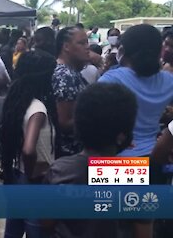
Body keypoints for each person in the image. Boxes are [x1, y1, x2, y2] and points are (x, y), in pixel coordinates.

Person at [43, 83, 151, 238]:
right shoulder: (134, 178)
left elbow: (46, 223)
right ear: (121, 135)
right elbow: (143, 233)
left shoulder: (59, 171)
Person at [99, 24, 173, 184]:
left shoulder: (111, 80)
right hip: (155, 156)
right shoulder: (168, 81)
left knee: (110, 205)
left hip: (117, 159)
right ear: (159, 51)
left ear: (123, 50)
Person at [0, 51, 57, 238]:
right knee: (36, 230)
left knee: (13, 230)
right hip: (33, 179)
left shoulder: (18, 102)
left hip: (16, 174)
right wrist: (33, 174)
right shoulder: (38, 109)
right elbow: (29, 148)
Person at [52, 27, 90, 158]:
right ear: (66, 47)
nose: (87, 47)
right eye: (81, 43)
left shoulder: (70, 72)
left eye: (87, 43)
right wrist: (96, 116)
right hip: (70, 153)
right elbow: (64, 122)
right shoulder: (65, 75)